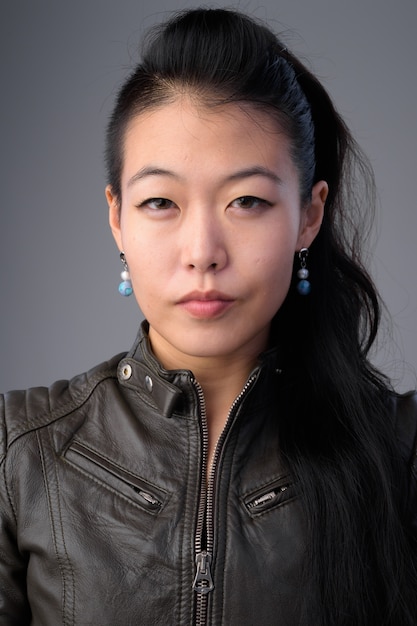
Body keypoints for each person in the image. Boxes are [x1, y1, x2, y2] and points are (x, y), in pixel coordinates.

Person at [1, 7, 416, 625]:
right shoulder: (20, 452)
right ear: (117, 216)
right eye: (160, 201)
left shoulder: (400, 453)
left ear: (309, 213)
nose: (202, 253)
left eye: (246, 200)